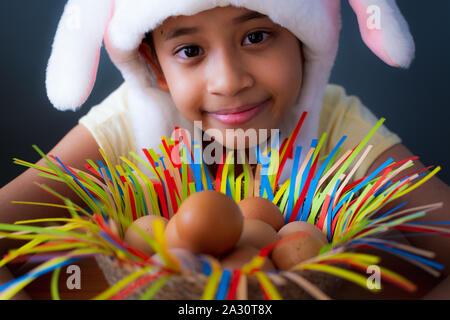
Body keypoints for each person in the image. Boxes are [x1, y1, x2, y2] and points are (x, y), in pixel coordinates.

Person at [0, 1, 449, 299]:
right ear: (155, 66)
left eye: (256, 36)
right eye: (190, 49)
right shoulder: (125, 128)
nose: (229, 80)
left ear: (303, 42)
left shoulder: (337, 127)